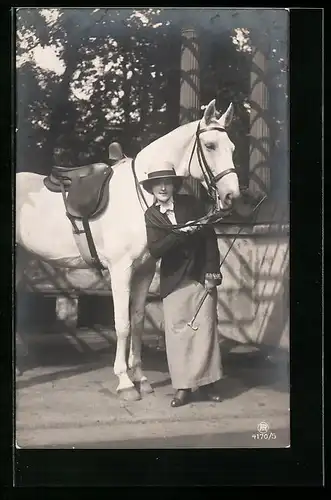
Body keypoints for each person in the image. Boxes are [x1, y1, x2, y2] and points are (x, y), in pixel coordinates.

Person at [141, 162, 224, 407]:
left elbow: (209, 238)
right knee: (177, 334)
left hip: (200, 275)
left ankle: (208, 384)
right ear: (152, 189)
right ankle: (183, 387)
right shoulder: (152, 215)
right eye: (158, 184)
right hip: (173, 280)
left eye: (167, 182)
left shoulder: (192, 204)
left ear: (175, 185)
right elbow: (156, 250)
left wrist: (212, 272)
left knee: (205, 330)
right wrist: (181, 232)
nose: (163, 188)